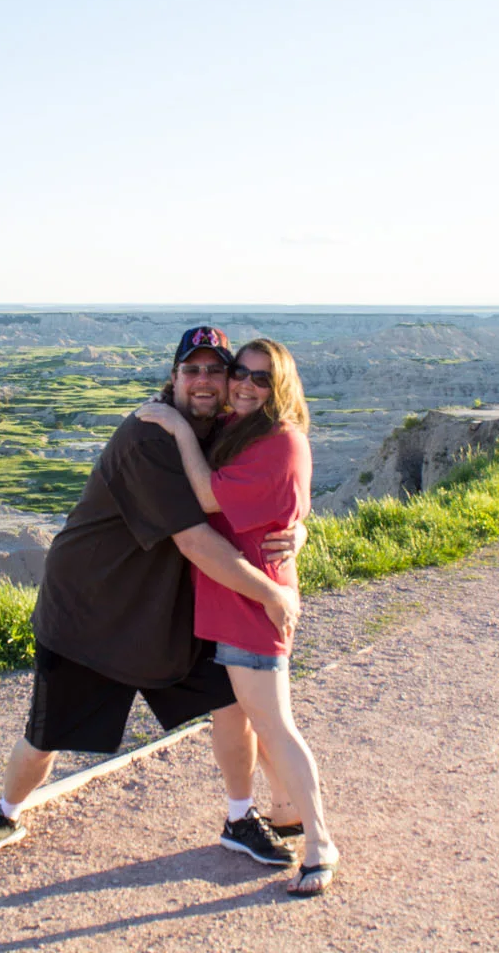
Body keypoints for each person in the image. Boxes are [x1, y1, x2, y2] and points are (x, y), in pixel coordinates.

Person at [0, 327, 305, 866]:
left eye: (218, 370)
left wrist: (298, 529)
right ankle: (6, 812)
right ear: (174, 378)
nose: (206, 381)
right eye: (193, 370)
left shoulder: (223, 433)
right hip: (93, 611)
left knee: (230, 705)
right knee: (48, 731)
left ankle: (240, 818)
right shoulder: (149, 438)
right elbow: (195, 541)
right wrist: (272, 595)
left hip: (164, 615)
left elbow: (269, 488)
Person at [135, 338, 339, 897]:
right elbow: (295, 503)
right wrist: (299, 526)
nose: (246, 385)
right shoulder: (240, 426)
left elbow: (206, 495)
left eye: (260, 378)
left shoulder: (280, 441)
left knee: (275, 725)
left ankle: (321, 844)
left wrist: (175, 426)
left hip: (256, 603)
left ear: (283, 386)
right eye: (240, 374)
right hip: (229, 601)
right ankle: (284, 811)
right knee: (246, 720)